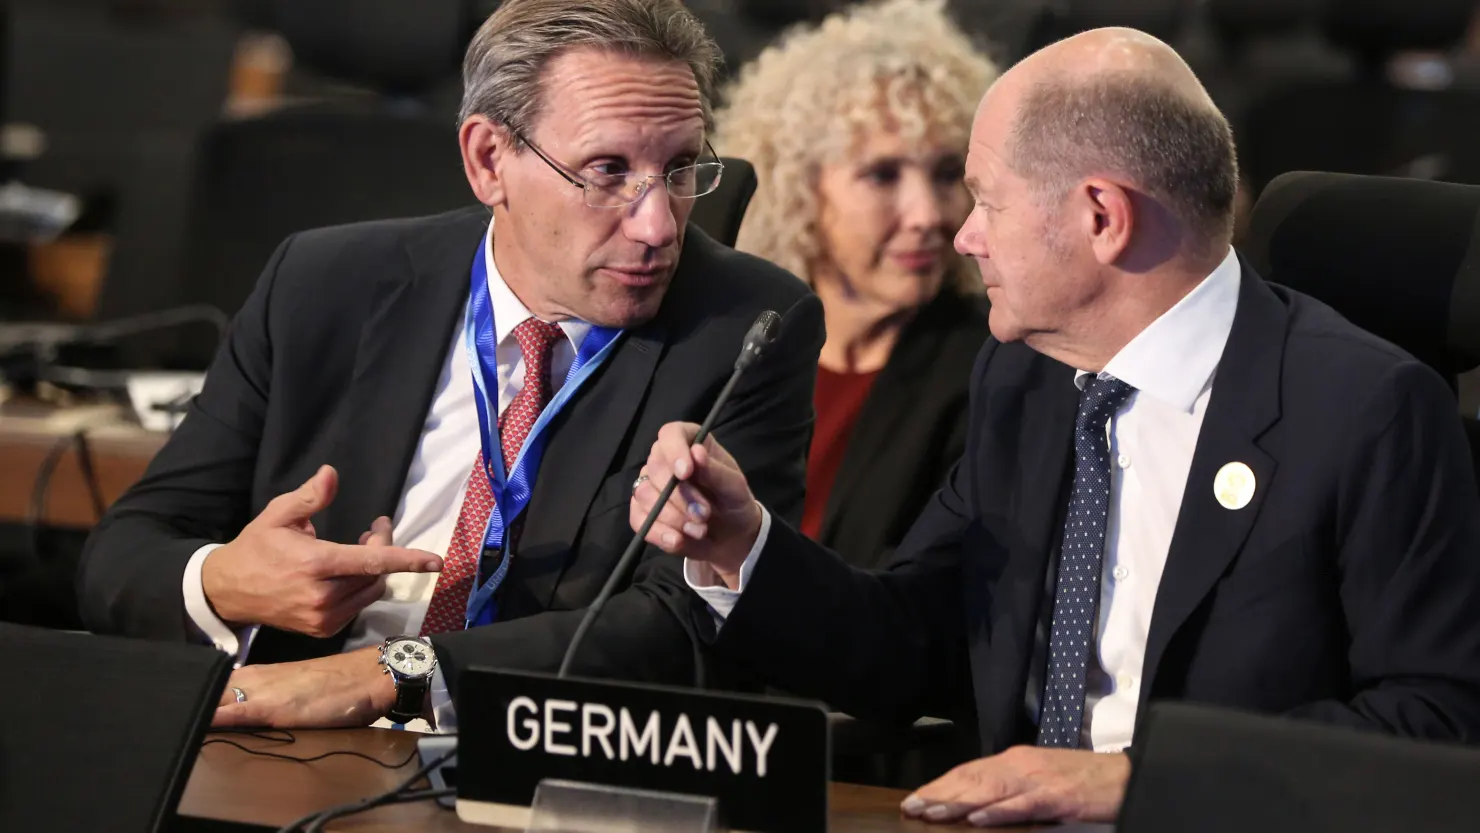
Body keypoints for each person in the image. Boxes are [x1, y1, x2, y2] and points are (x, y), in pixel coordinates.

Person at [630, 27, 1480, 827]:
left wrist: (1136, 780)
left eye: (986, 201)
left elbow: (1435, 720)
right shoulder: (1024, 376)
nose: (964, 236)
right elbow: (917, 640)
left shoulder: (1368, 408)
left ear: (1102, 216)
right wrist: (744, 545)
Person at [77, 0, 822, 732]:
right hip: (283, 738)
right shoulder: (324, 282)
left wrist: (388, 675)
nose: (658, 225)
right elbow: (122, 553)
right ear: (488, 160)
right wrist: (226, 580)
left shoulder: (745, 327)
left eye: (681, 167)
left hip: (517, 756)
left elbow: (689, 627)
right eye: (608, 170)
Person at [714, 0, 996, 565]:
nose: (927, 214)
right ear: (798, 189)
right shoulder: (728, 345)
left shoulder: (991, 370)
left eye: (948, 174)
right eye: (883, 174)